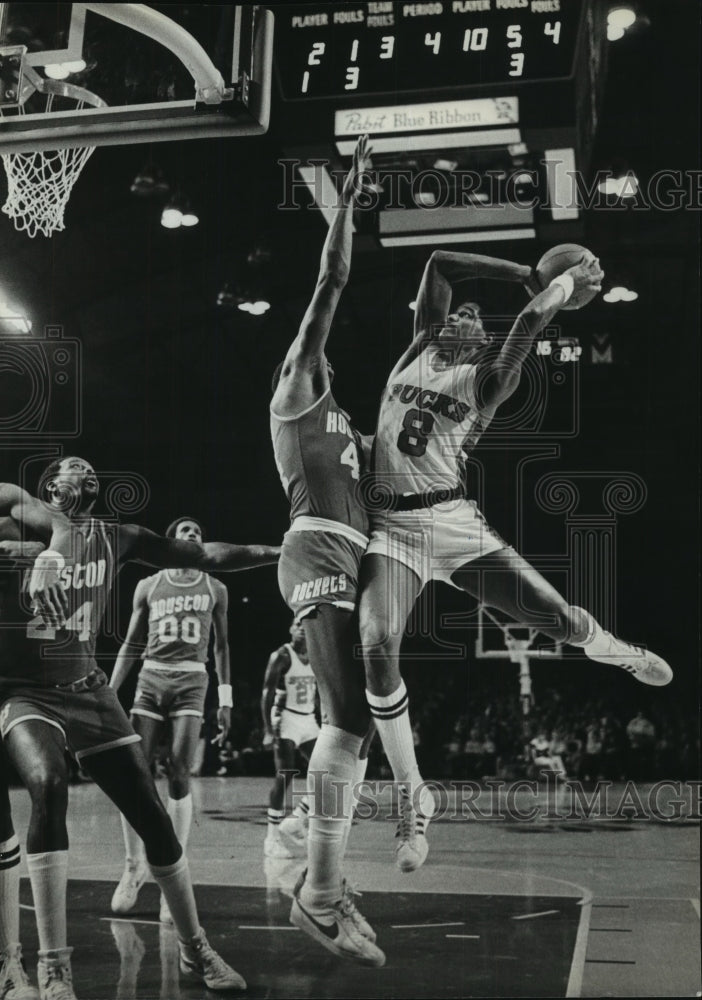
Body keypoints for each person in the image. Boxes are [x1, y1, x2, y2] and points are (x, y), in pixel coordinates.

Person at [359, 248, 673, 871]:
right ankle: (412, 795)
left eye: (475, 318)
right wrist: (524, 273)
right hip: (391, 527)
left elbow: (528, 324)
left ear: (480, 342)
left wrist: (556, 286)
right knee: (375, 644)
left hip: (451, 522)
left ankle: (612, 648)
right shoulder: (419, 346)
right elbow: (441, 264)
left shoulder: (486, 381)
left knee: (554, 619)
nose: (465, 313)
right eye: (459, 312)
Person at [0, 457, 280, 998]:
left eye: (91, 470)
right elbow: (46, 529)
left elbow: (204, 555)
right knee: (48, 784)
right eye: (72, 467)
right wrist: (30, 557)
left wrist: (276, 552)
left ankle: (196, 947)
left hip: (88, 686)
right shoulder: (16, 517)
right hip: (24, 689)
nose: (86, 472)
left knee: (154, 816)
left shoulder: (117, 535)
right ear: (50, 485)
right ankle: (53, 966)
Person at [270, 135, 384, 967]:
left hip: (350, 559)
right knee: (346, 724)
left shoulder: (347, 421)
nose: (312, 351)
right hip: (314, 556)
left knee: (360, 727)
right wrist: (346, 202)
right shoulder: (297, 395)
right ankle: (316, 893)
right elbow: (329, 283)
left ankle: (323, 872)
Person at [108, 516, 233, 923]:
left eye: (198, 532)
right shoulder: (149, 584)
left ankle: (175, 871)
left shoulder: (216, 587)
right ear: (171, 541)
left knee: (180, 772)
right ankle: (133, 865)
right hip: (151, 675)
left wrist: (226, 700)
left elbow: (222, 648)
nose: (193, 536)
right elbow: (131, 642)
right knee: (132, 772)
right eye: (185, 532)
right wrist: (109, 691)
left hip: (192, 681)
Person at [261, 622, 318, 858]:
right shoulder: (282, 656)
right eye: (297, 624)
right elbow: (267, 693)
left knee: (327, 770)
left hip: (308, 718)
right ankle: (271, 838)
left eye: (306, 625)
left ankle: (297, 819)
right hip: (285, 717)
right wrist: (266, 729)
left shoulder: (316, 653)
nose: (302, 628)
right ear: (290, 629)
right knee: (286, 773)